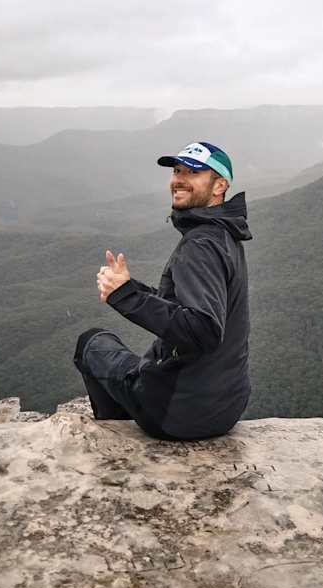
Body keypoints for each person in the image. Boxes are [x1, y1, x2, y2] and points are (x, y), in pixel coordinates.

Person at [72, 141, 253, 440]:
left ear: (220, 185)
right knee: (131, 357)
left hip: (178, 414)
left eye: (193, 172)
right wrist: (129, 288)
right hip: (226, 408)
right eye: (177, 170)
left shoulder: (201, 245)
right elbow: (184, 305)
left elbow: (203, 330)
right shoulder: (224, 234)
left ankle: (114, 437)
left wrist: (126, 297)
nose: (179, 179)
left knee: (91, 342)